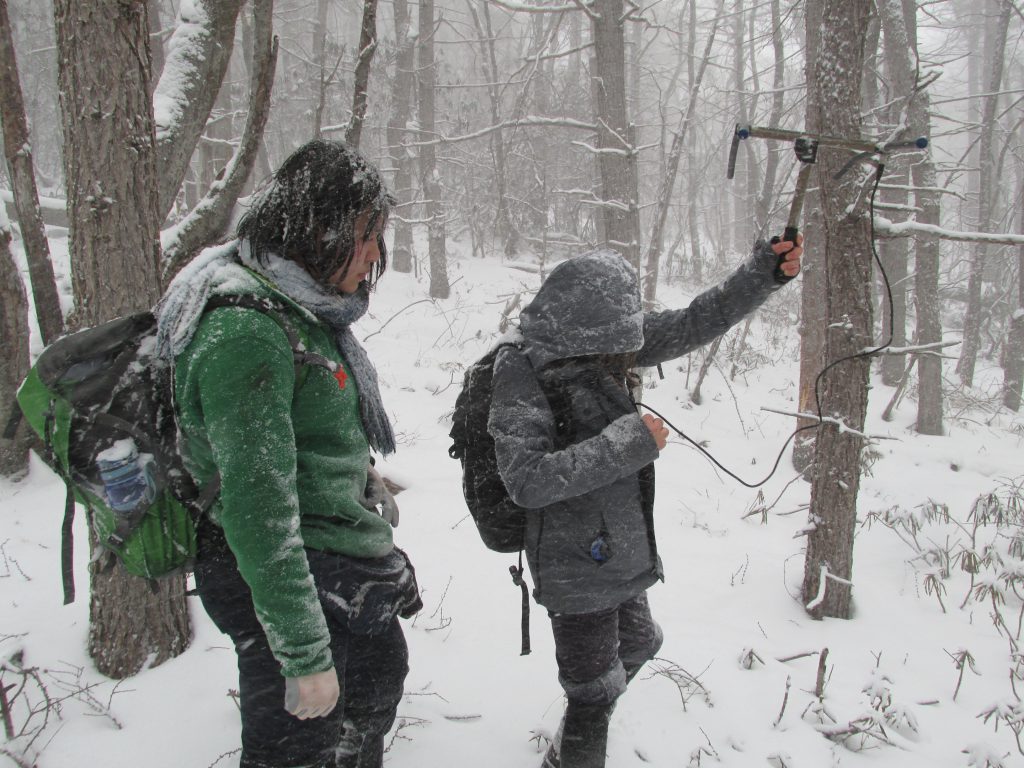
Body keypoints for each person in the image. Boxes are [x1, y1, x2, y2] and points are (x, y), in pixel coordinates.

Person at [488, 236, 802, 768]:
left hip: (619, 550)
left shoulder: (611, 342)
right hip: (570, 564)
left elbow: (693, 321)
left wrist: (762, 273)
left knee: (639, 643)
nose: (630, 353)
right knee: (591, 696)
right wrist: (629, 444)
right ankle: (574, 747)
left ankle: (569, 746)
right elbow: (527, 478)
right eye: (621, 337)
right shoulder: (521, 368)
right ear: (588, 326)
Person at [156, 139, 421, 768]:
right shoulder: (247, 331)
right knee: (298, 750)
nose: (375, 255)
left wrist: (355, 475)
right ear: (318, 228)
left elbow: (304, 430)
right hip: (280, 573)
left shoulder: (301, 310)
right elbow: (257, 508)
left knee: (373, 694)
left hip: (331, 557)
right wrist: (303, 655)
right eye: (366, 235)